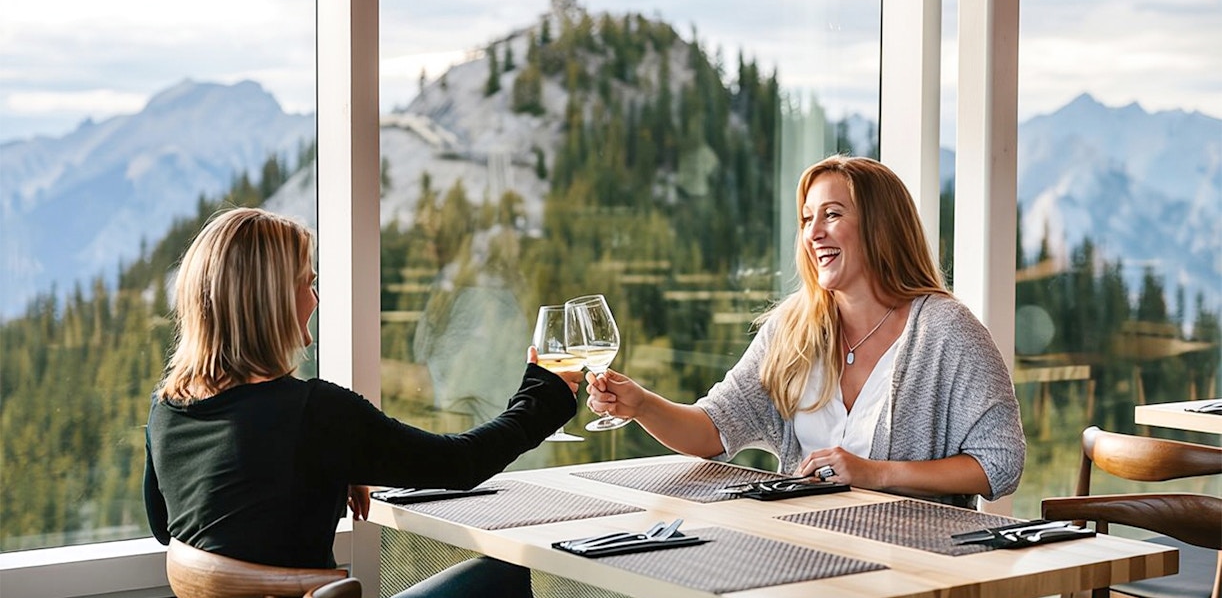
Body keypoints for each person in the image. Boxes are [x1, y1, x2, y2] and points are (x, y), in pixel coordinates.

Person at [143, 207, 580, 598]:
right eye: (308, 284)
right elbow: (460, 464)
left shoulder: (166, 410)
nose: (315, 299)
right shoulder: (314, 414)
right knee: (503, 576)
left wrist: (329, 470)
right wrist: (544, 394)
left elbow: (172, 529)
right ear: (271, 301)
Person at [587, 155, 1025, 509]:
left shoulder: (945, 330)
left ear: (880, 227)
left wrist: (875, 473)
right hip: (808, 551)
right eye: (806, 219)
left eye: (832, 215)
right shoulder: (793, 329)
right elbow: (712, 430)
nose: (813, 234)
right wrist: (641, 404)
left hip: (918, 563)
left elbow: (1001, 463)